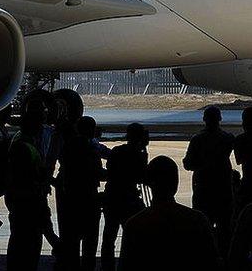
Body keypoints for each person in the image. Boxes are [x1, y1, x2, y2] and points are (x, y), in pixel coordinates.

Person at [119, 156, 219, 270]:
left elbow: (125, 266)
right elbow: (213, 263)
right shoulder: (198, 220)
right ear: (176, 183)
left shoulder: (134, 224)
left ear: (149, 183)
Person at [5, 101, 54, 271]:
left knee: (21, 241)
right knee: (27, 243)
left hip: (23, 199)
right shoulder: (24, 147)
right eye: (41, 121)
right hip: (26, 200)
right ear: (35, 125)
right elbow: (25, 176)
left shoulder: (23, 141)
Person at [182, 105, 235, 253]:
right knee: (225, 229)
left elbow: (188, 164)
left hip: (203, 189)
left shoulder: (197, 139)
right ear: (220, 119)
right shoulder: (228, 139)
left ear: (204, 119)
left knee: (203, 228)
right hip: (223, 189)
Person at [55, 115, 105, 271]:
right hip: (87, 197)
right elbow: (97, 172)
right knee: (90, 243)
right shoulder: (90, 148)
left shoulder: (67, 147)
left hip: (69, 197)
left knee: (71, 240)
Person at [101, 122, 149, 271]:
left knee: (109, 236)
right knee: (131, 235)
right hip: (129, 198)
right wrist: (144, 151)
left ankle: (107, 266)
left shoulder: (117, 151)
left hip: (113, 197)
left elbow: (110, 170)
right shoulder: (139, 155)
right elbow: (142, 177)